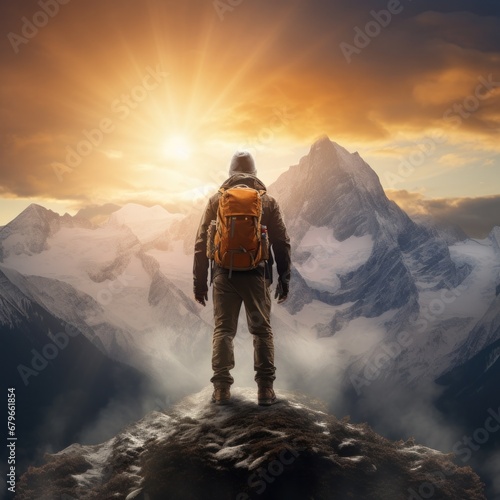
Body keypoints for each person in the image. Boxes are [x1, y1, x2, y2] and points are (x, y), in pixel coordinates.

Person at [193, 151, 291, 406]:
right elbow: (282, 242)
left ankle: (222, 390)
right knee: (261, 331)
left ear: (230, 173)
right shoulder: (266, 201)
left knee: (224, 330)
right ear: (254, 173)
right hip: (257, 275)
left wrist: (199, 283)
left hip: (224, 275)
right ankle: (265, 390)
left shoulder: (217, 200)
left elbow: (201, 242)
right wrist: (285, 279)